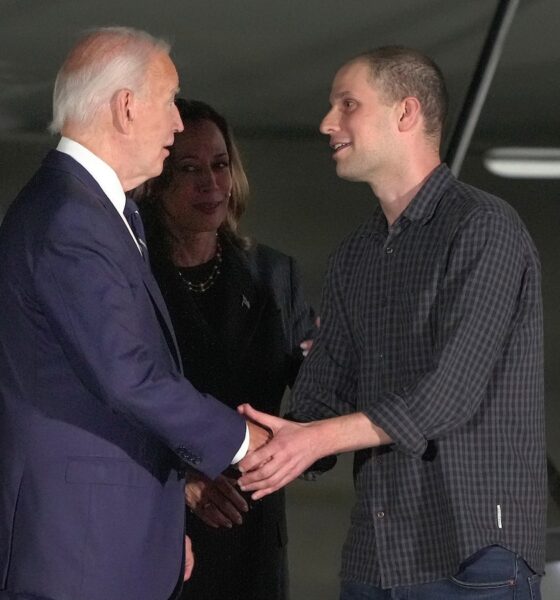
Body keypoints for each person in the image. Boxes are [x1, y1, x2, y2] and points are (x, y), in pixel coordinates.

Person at [238, 46, 546, 599]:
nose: (327, 123)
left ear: (406, 114)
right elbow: (320, 400)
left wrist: (311, 440)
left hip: (471, 558)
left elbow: (447, 395)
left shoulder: (484, 229)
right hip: (375, 561)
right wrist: (246, 443)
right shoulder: (355, 255)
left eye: (347, 104)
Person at [0, 27, 270, 600]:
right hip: (79, 549)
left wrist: (159, 520)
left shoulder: (98, 209)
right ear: (126, 107)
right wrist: (249, 441)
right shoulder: (69, 219)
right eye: (169, 102)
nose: (177, 124)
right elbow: (130, 376)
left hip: (105, 535)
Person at [136, 98, 316, 600]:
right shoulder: (131, 275)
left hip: (253, 530)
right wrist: (181, 482)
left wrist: (294, 441)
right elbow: (114, 402)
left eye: (219, 165)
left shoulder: (273, 273)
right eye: (188, 169)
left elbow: (319, 395)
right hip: (162, 531)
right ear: (155, 180)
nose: (210, 183)